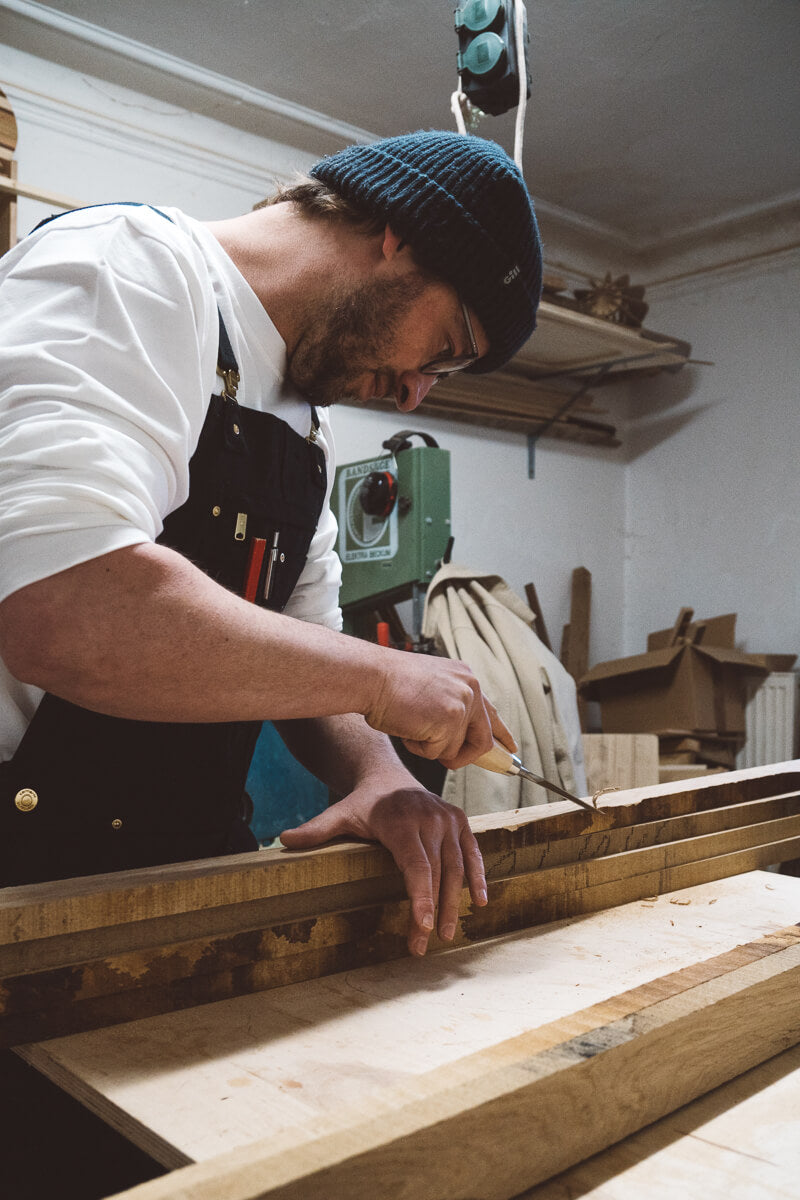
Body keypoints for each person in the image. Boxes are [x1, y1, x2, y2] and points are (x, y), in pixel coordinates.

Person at [0, 130, 543, 957]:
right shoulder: (132, 268)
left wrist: (380, 776)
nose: (413, 396)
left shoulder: (306, 428)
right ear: (399, 235)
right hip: (23, 875)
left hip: (172, 873)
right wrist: (387, 675)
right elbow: (61, 602)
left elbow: (307, 653)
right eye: (445, 351)